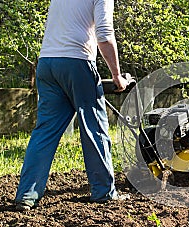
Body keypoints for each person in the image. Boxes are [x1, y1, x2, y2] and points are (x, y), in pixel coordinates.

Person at [15, 0, 130, 211]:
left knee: (45, 132)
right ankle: (104, 192)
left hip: (47, 63)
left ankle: (26, 195)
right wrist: (116, 75)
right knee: (94, 128)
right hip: (77, 61)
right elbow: (104, 34)